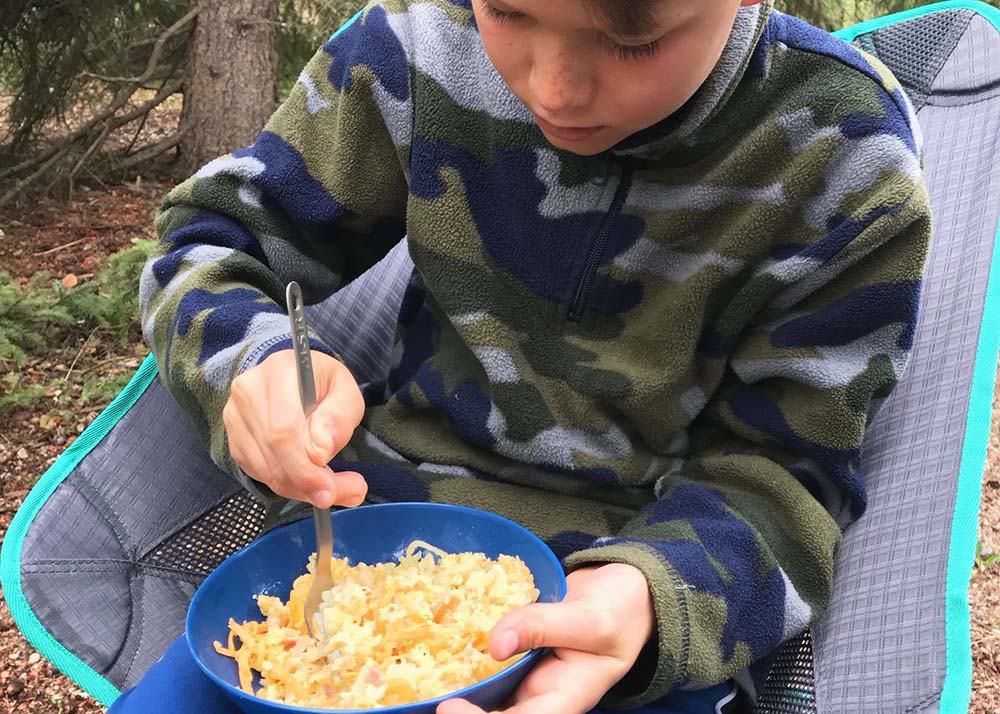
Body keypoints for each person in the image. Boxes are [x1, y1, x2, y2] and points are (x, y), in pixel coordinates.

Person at [125, 0, 932, 711]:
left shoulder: (845, 160)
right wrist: (252, 363)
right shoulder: (414, 50)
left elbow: (788, 474)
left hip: (622, 616)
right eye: (507, 12)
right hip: (351, 579)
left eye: (633, 37)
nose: (555, 89)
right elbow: (205, 246)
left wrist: (647, 599)